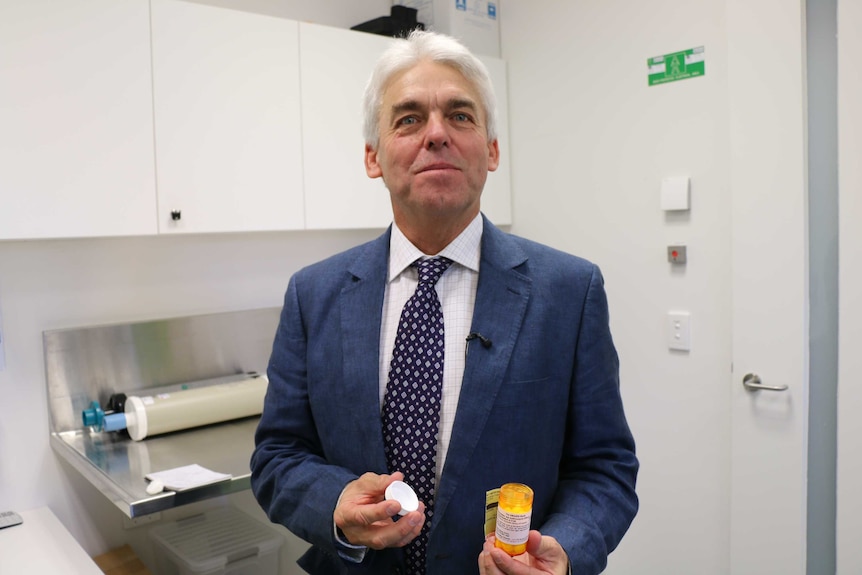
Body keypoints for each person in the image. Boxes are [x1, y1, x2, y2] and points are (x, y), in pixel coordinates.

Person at [250, 30, 638, 575]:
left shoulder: (568, 293)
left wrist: (568, 549)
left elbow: (606, 469)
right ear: (373, 157)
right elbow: (276, 458)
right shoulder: (314, 295)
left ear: (492, 149)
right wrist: (334, 504)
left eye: (460, 116)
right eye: (408, 119)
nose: (436, 134)